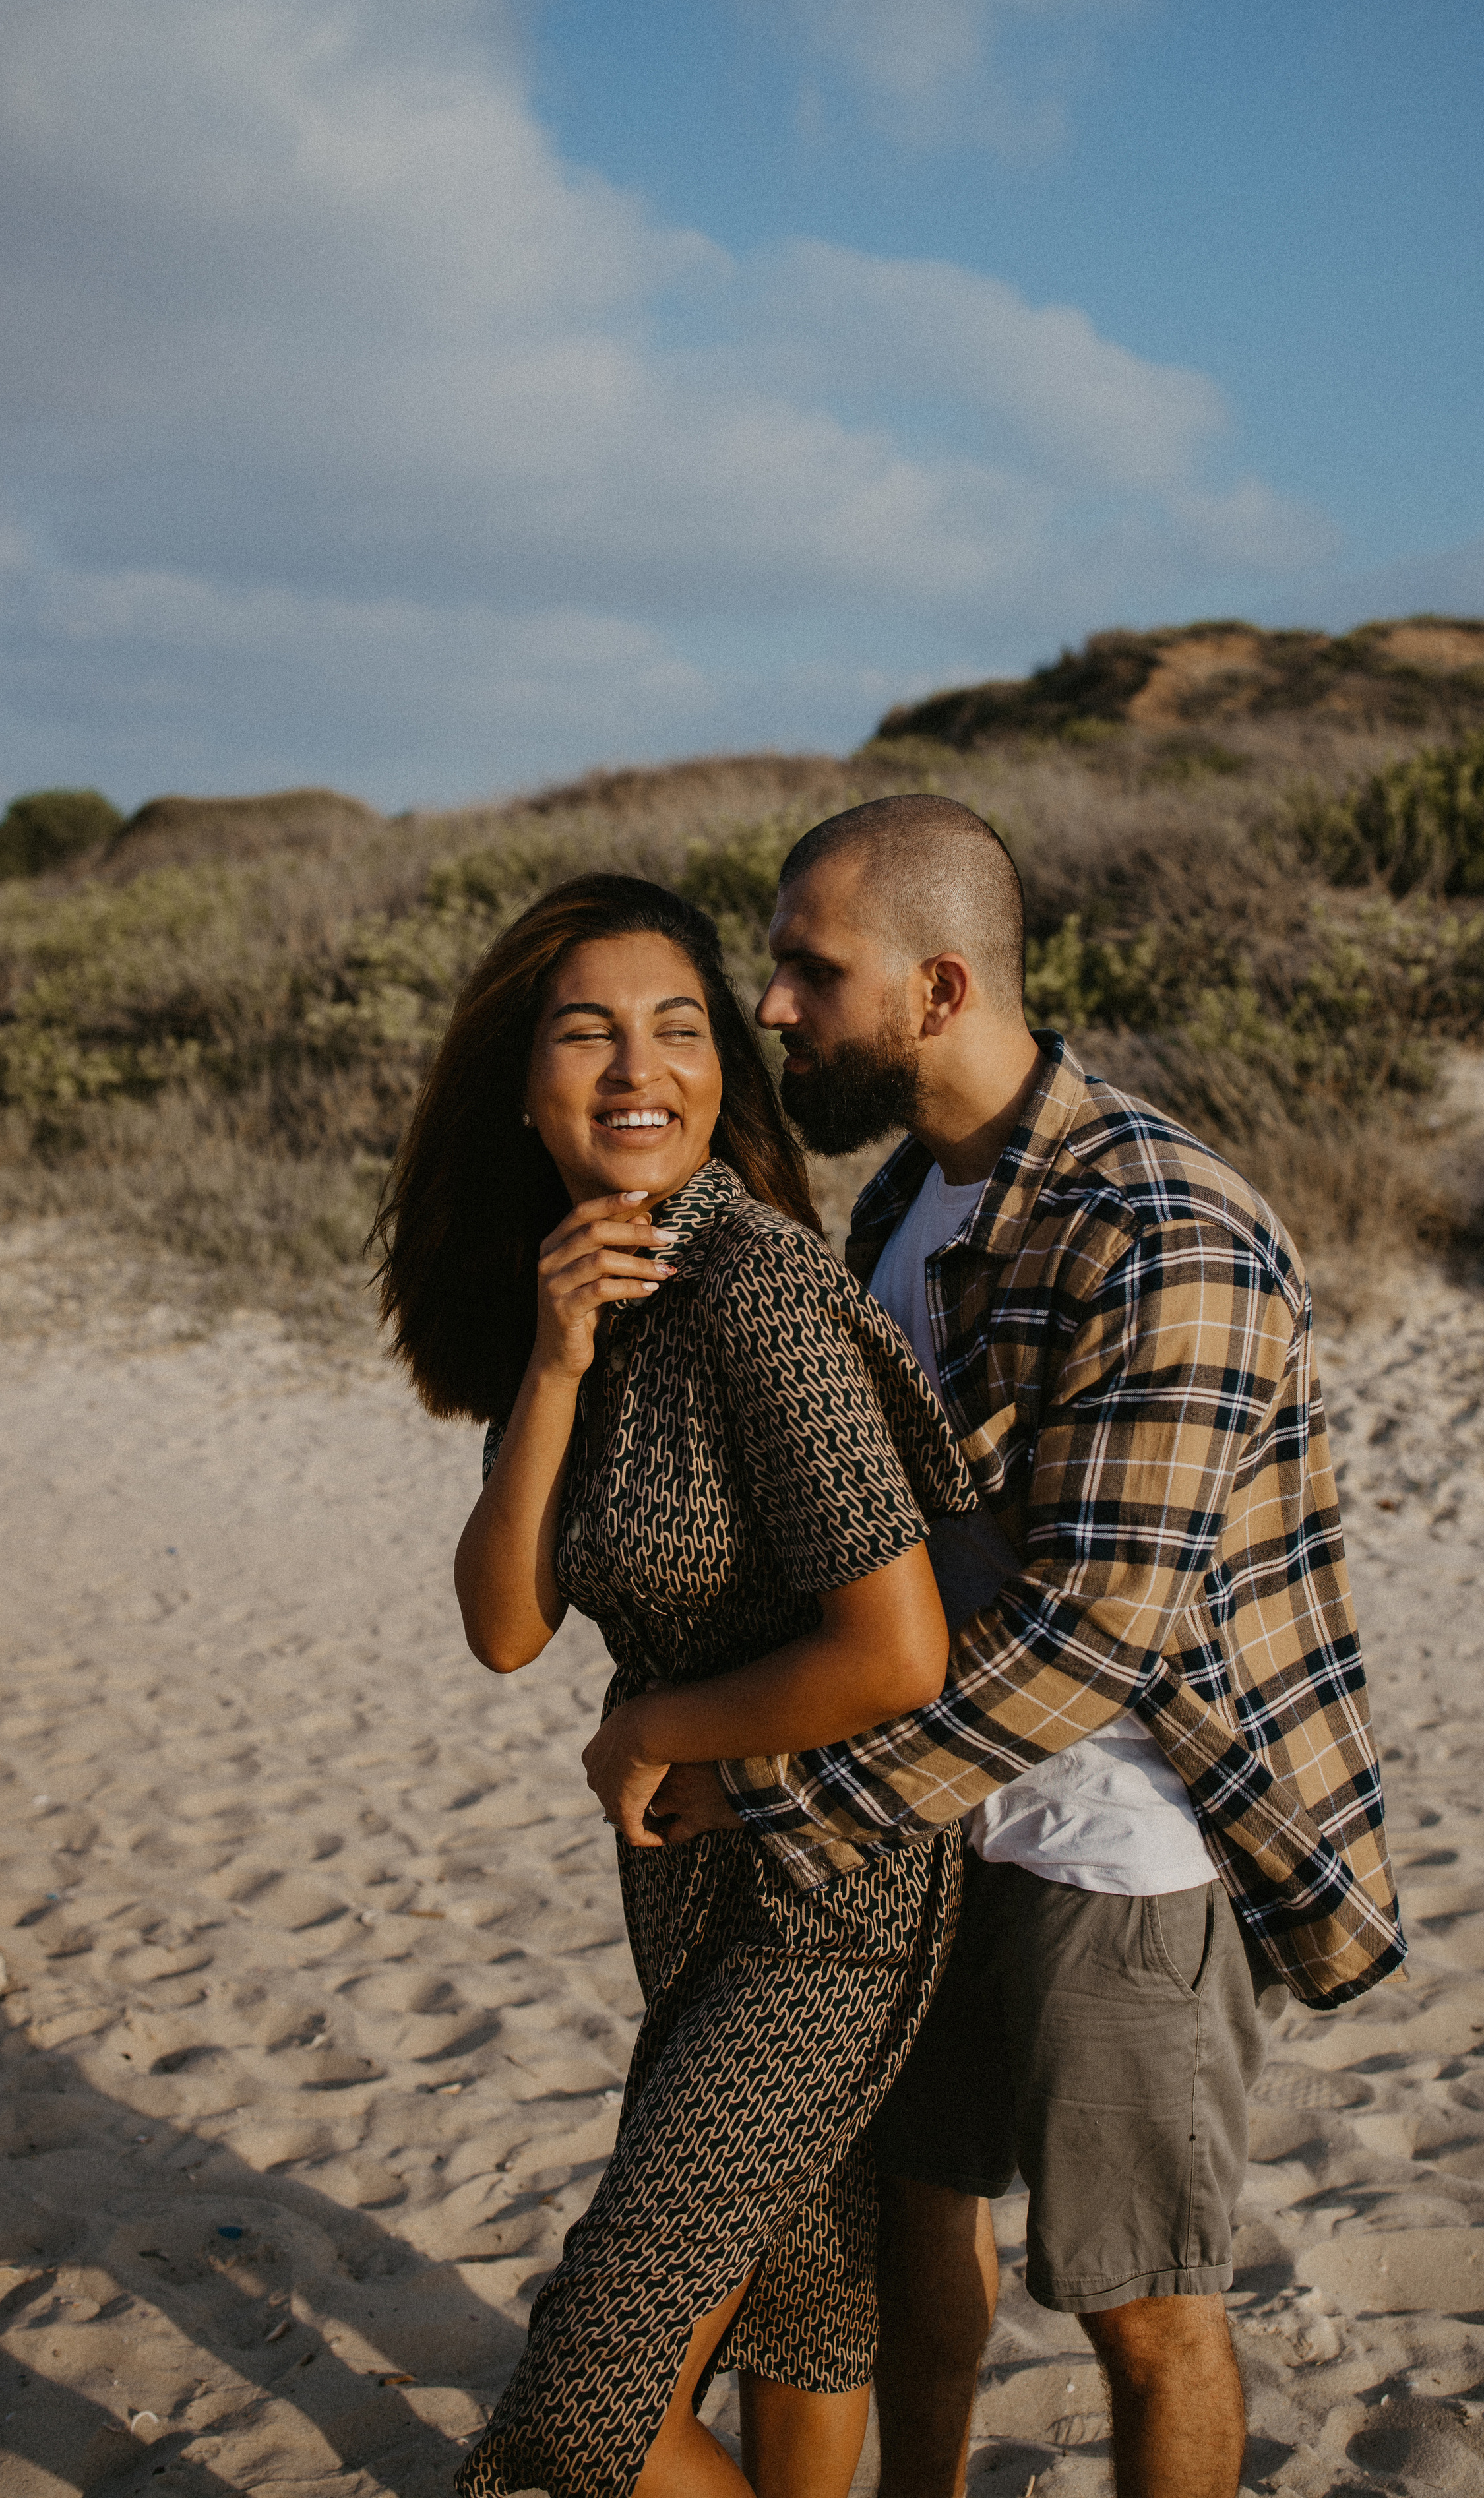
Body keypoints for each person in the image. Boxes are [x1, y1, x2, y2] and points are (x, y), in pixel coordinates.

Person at [652, 796, 1406, 2498]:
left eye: (807, 970)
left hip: (1123, 1844)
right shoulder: (910, 1195)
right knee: (928, 2247)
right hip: (940, 1825)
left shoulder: (1166, 1230)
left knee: (1147, 2310)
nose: (773, 1009)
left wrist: (780, 1781)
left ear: (935, 989)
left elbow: (1096, 1636)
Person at [371, 873, 977, 2498]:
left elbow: (894, 1649)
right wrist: (555, 1366)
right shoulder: (587, 1296)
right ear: (521, 1083)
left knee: (583, 2410)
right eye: (589, 1035)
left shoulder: (762, 1291)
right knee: (802, 2311)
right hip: (694, 1895)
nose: (638, 1070)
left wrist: (650, 1724)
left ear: (720, 1068)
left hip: (833, 1907)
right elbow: (505, 1625)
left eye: (677, 1030)